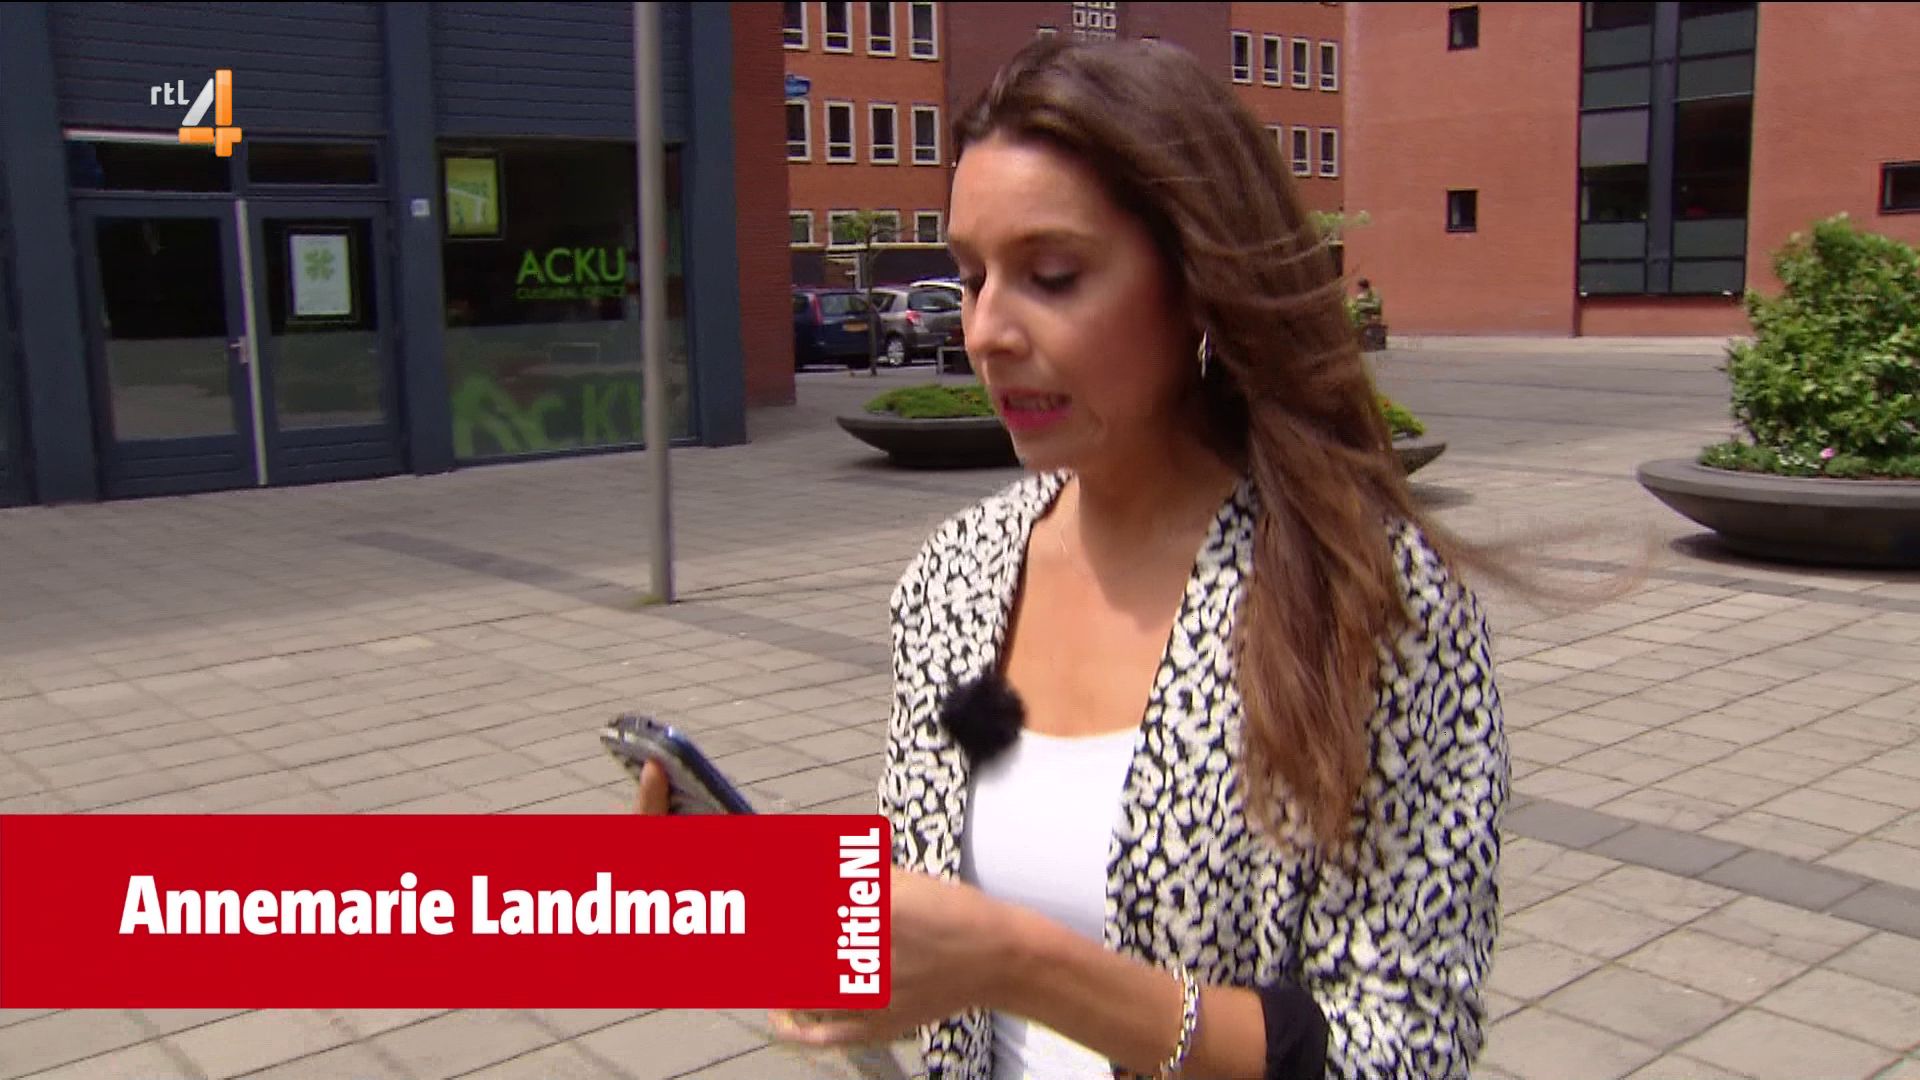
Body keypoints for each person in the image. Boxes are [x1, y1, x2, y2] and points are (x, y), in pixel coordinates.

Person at [641, 36, 1509, 1080]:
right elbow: (927, 934)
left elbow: (1408, 1046)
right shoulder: (955, 578)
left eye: (1051, 276)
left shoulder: (1369, 599)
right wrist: (760, 912)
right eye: (971, 278)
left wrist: (1026, 966)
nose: (986, 332)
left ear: (1198, 282)